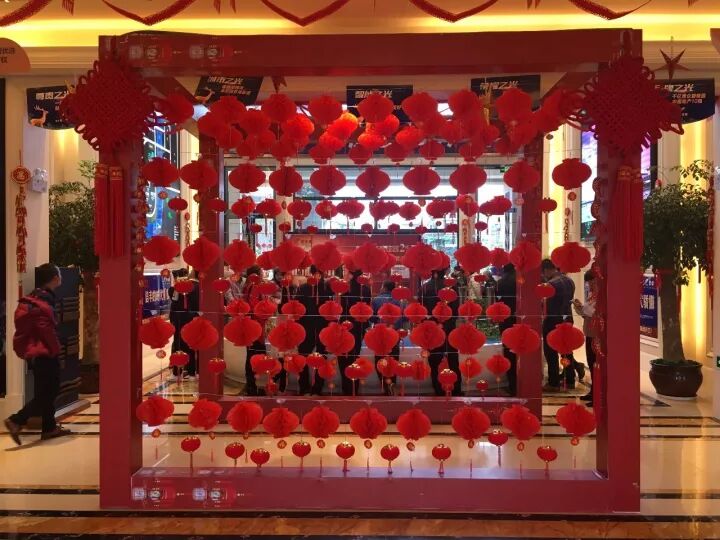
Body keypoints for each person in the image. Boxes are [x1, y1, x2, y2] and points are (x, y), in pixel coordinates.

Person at [5, 264, 69, 444]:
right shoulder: (44, 301)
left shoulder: (34, 298)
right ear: (54, 278)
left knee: (46, 391)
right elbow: (45, 330)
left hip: (36, 354)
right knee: (48, 393)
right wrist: (56, 350)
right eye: (59, 274)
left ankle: (49, 428)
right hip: (45, 353)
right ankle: (16, 420)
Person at [541, 259, 583, 391]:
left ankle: (553, 383)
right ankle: (570, 379)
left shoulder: (550, 284)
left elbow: (546, 304)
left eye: (543, 273)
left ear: (546, 270)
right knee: (566, 350)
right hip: (567, 319)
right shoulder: (570, 281)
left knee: (551, 352)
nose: (544, 276)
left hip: (552, 320)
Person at [421, 268, 461, 396]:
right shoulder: (453, 287)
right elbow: (456, 311)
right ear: (446, 271)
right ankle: (456, 390)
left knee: (435, 362)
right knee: (453, 361)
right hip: (449, 329)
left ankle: (438, 390)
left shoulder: (424, 287)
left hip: (432, 330)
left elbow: (421, 312)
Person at [296, 265, 332, 395]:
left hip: (307, 326)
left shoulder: (304, 288)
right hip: (321, 327)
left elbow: (297, 309)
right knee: (320, 356)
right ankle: (316, 387)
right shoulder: (327, 288)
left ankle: (305, 387)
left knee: (304, 355)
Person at [338, 269, 371, 395]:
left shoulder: (345, 288)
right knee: (354, 356)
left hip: (345, 326)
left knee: (343, 357)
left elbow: (341, 307)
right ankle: (354, 388)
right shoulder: (366, 289)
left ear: (351, 275)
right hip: (359, 325)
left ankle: (345, 387)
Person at [370, 280, 403, 394]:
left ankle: (384, 386)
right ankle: (392, 384)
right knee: (393, 359)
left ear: (384, 288)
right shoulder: (398, 301)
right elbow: (401, 319)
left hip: (380, 334)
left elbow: (372, 318)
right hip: (394, 334)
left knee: (380, 359)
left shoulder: (376, 300)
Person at [169, 268, 200, 378]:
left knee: (179, 345)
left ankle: (179, 372)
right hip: (189, 319)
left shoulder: (177, 288)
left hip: (181, 320)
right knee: (189, 345)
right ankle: (191, 372)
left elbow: (174, 303)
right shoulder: (198, 287)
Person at [573, 269, 597, 406]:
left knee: (596, 365)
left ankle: (597, 394)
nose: (590, 285)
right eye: (588, 283)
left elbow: (593, 313)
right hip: (589, 334)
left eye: (592, 282)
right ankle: (593, 391)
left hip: (596, 336)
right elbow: (586, 314)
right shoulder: (592, 296)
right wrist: (579, 308)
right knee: (591, 363)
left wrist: (583, 309)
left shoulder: (602, 297)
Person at [495, 263, 518, 396]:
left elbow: (497, 302)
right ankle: (524, 383)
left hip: (506, 320)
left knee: (509, 352)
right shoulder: (520, 280)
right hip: (520, 320)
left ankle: (513, 385)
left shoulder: (501, 283)